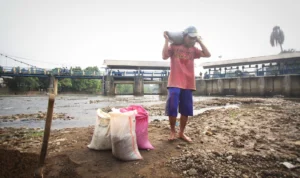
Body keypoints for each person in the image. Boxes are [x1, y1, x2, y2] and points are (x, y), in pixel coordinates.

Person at [162, 26, 211, 142]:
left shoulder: (194, 50)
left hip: (188, 83)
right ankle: (173, 131)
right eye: (190, 38)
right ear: (184, 37)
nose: (192, 40)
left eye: (194, 38)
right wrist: (166, 40)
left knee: (186, 109)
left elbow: (207, 54)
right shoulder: (174, 46)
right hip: (174, 82)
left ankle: (181, 133)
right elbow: (164, 56)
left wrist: (199, 41)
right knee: (172, 107)